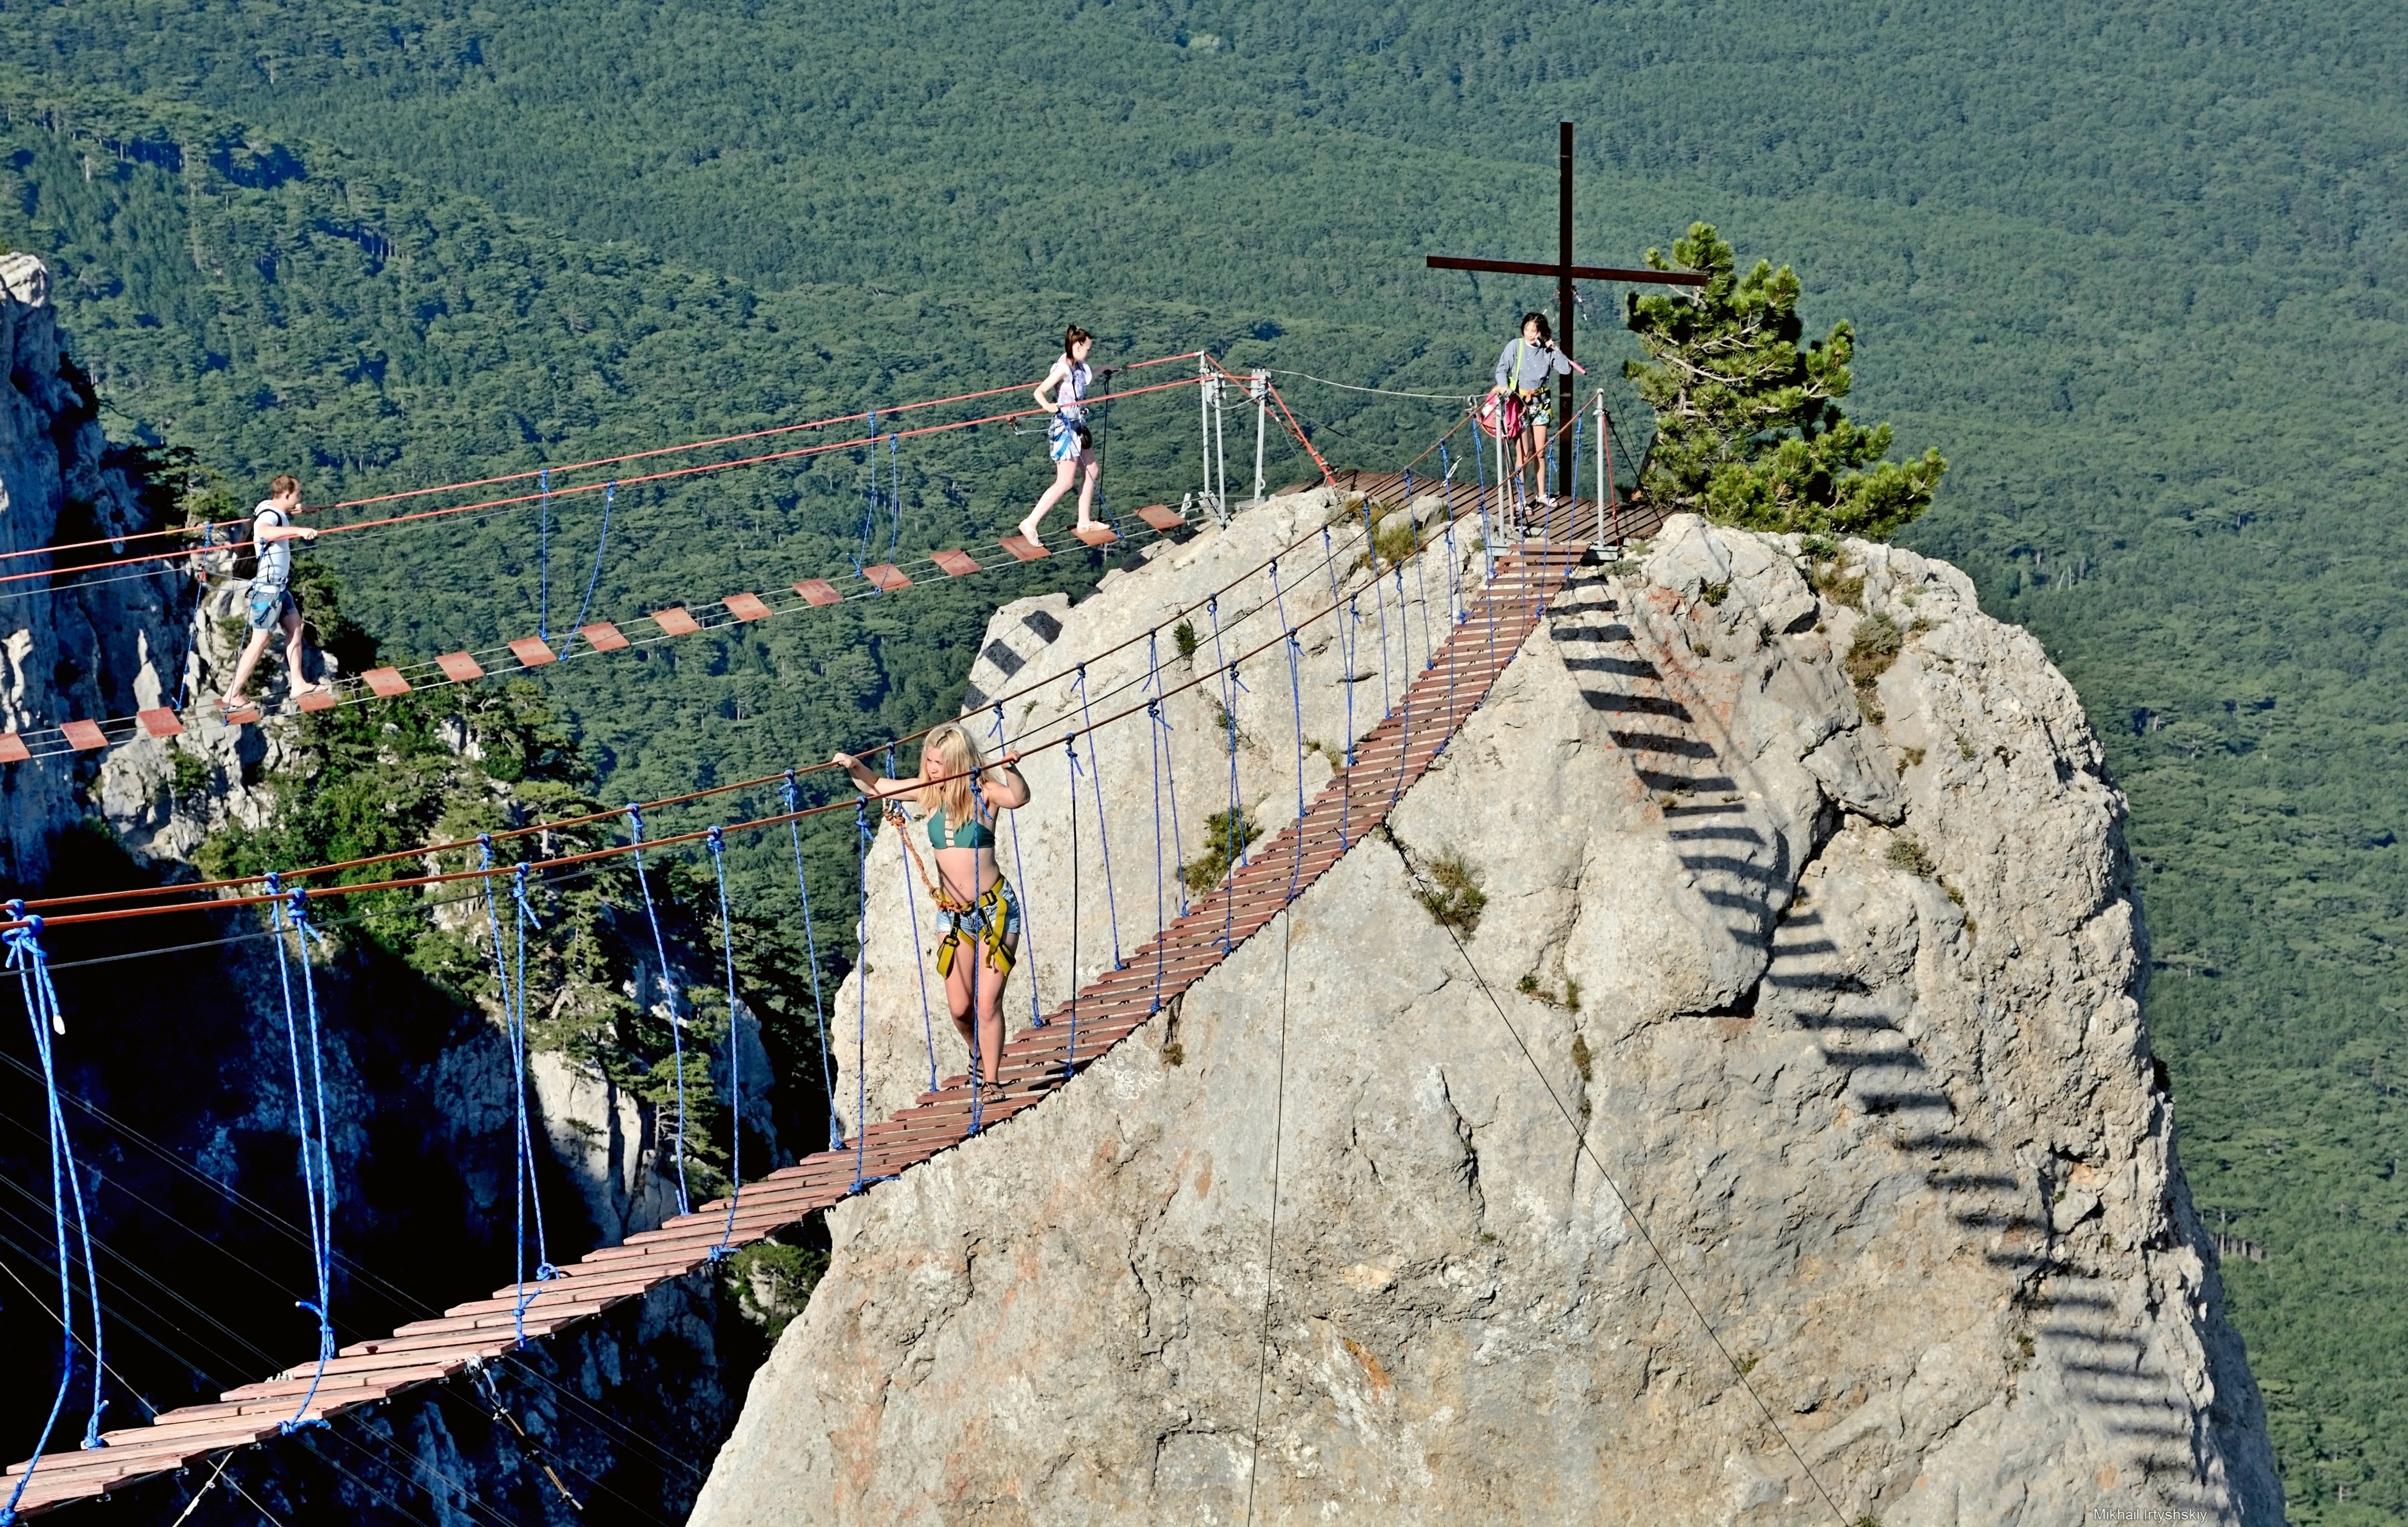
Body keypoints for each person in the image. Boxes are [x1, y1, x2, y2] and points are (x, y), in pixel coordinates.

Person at [834, 726, 1033, 1100]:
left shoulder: (984, 793)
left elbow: (1018, 798)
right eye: (929, 760)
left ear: (957, 761)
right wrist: (855, 766)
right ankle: (978, 1051)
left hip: (995, 910)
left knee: (988, 1003)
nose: (932, 767)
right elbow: (879, 787)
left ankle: (991, 1080)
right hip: (954, 916)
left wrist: (1013, 770)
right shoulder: (929, 795)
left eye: (939, 762)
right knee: (960, 1008)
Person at [221, 474, 325, 712]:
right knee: (260, 641)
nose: (299, 497)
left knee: (295, 626)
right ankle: (232, 693)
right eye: (298, 495)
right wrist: (299, 531)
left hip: (279, 587)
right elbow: (264, 530)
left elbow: (278, 513)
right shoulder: (269, 516)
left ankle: (298, 683)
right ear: (287, 494)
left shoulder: (269, 506)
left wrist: (300, 509)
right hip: (267, 590)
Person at [1491, 312, 1586, 518]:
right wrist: (1506, 388)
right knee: (1523, 455)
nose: (1530, 334)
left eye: (1534, 331)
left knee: (1540, 452)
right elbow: (1501, 371)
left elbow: (1565, 370)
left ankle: (1541, 494)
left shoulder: (1547, 350)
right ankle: (1521, 500)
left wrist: (1555, 349)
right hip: (1519, 402)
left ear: (1542, 332)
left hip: (1541, 404)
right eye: (1527, 329)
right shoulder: (1515, 346)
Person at [1016, 326, 1102, 548]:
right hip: (1065, 428)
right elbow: (1039, 391)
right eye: (1087, 349)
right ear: (1077, 346)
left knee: (1092, 470)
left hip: (1077, 425)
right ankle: (1030, 522)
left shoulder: (1078, 366)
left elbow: (1084, 381)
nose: (1089, 353)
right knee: (1064, 482)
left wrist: (1105, 369)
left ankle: (1084, 522)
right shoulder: (1063, 369)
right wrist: (1048, 406)